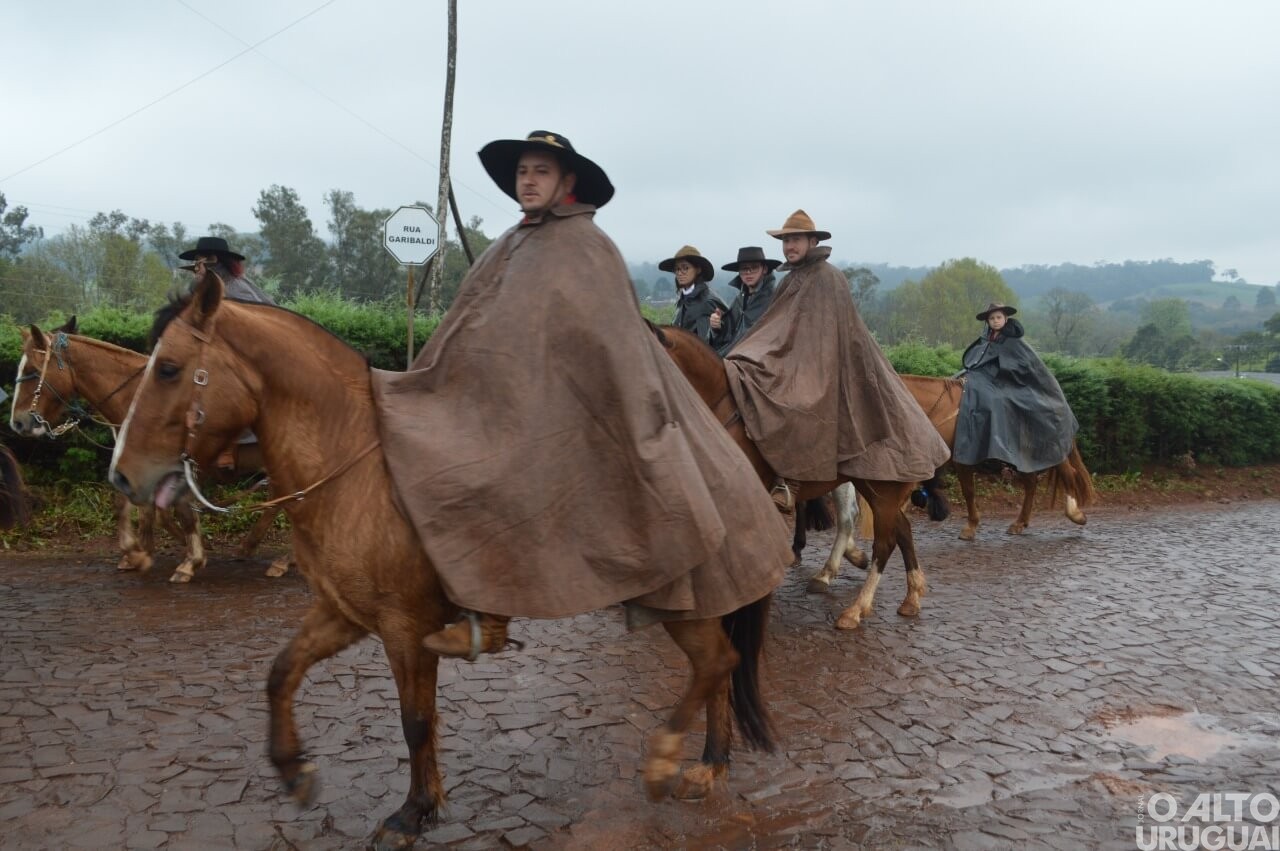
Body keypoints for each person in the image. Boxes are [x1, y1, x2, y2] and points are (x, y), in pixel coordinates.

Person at [371, 131, 793, 660]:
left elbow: (606, 340)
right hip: (510, 399)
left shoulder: (587, 246)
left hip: (572, 410)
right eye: (522, 170)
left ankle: (491, 616)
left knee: (503, 477)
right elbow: (473, 324)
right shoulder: (512, 241)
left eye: (541, 171)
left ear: (567, 182)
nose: (528, 179)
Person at [723, 210, 951, 513]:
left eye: (795, 240)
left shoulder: (828, 278)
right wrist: (747, 354)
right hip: (793, 361)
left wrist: (794, 359)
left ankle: (788, 481)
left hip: (826, 366)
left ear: (812, 241)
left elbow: (826, 334)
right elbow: (773, 330)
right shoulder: (791, 280)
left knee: (793, 404)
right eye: (786, 240)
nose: (789, 246)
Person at [954, 303, 1078, 473]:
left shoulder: (1013, 340)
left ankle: (1003, 452)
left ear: (1006, 318)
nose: (995, 321)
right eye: (992, 318)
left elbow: (1023, 365)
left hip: (1014, 384)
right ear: (987, 321)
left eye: (998, 317)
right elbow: (977, 361)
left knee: (995, 400)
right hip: (988, 380)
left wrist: (1000, 373)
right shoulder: (987, 338)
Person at [710, 246, 781, 356]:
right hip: (729, 358)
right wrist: (717, 327)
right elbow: (727, 336)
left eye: (754, 267)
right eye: (744, 268)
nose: (748, 272)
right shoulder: (740, 299)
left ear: (765, 269)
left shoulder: (774, 299)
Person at [178, 236, 274, 304]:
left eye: (199, 260)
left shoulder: (234, 287)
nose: (196, 267)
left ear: (212, 260)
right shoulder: (204, 285)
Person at [662, 246, 727, 345]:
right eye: (677, 269)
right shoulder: (682, 300)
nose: (680, 273)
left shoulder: (707, 301)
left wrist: (716, 328)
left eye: (685, 268)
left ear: (698, 270)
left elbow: (706, 344)